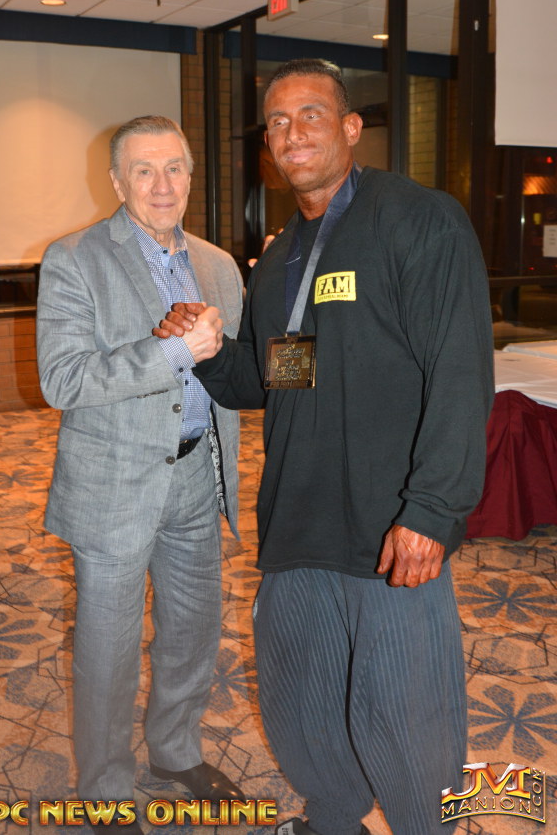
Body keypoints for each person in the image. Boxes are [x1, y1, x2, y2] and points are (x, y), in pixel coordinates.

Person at [155, 60, 495, 835]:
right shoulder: (284, 256)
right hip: (299, 518)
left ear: (350, 128)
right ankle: (335, 815)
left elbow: (460, 371)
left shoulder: (419, 220)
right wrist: (207, 348)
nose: (292, 132)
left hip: (390, 523)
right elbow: (279, 376)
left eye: (311, 114)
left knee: (408, 711)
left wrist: (433, 509)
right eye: (277, 121)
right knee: (300, 696)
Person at [36, 115, 245, 830]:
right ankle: (104, 783)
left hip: (197, 479)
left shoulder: (219, 265)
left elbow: (244, 366)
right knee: (109, 649)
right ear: (117, 182)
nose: (162, 184)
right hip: (114, 486)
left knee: (193, 631)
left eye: (174, 168)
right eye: (144, 170)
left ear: (191, 176)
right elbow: (63, 379)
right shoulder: (74, 258)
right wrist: (175, 352)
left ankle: (175, 750)